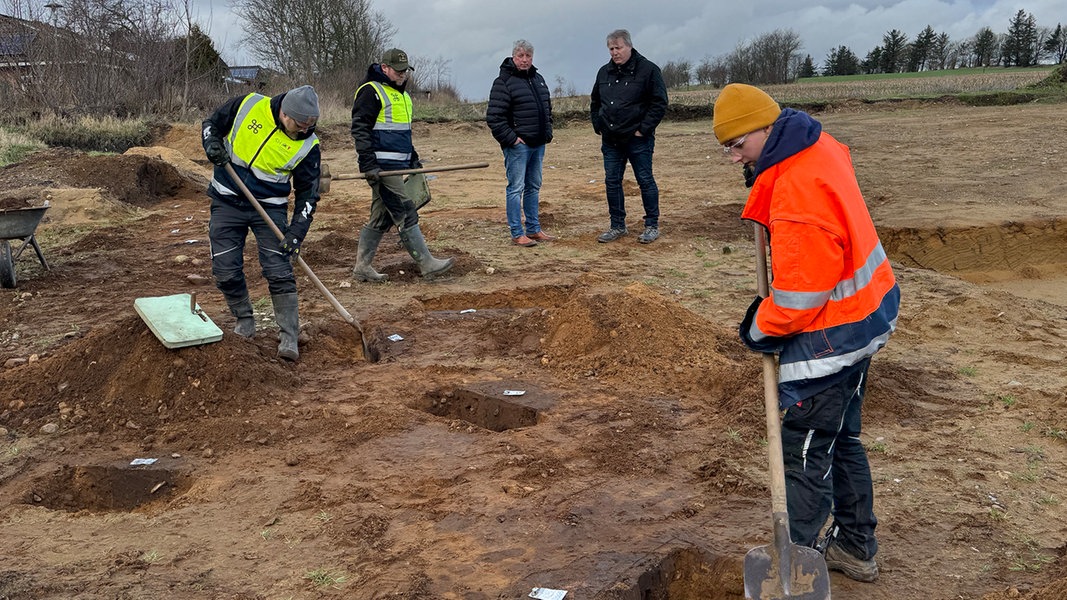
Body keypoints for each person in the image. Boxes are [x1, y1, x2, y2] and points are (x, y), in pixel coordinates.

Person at [712, 83, 900, 583]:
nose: (733, 159)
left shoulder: (796, 192)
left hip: (831, 338)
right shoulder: (816, 143)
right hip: (868, 313)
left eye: (738, 146)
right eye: (726, 149)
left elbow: (798, 298)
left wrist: (758, 327)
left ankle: (793, 567)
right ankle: (856, 548)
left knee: (804, 451)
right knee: (843, 440)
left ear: (766, 128)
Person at [201, 84, 322, 361]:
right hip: (227, 200)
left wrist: (296, 233)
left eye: (310, 126)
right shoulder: (248, 104)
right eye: (301, 125)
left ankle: (289, 336)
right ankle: (244, 320)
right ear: (285, 114)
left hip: (270, 209)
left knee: (279, 270)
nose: (305, 131)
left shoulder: (308, 145)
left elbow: (308, 193)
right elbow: (212, 124)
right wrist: (211, 143)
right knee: (225, 269)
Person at [350, 48, 454, 282]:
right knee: (405, 210)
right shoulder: (371, 92)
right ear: (384, 68)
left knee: (380, 216)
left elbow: (401, 133)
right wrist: (367, 163)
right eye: (398, 71)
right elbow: (360, 129)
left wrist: (412, 157)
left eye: (405, 70)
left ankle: (362, 267)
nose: (402, 75)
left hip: (397, 165)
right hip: (381, 167)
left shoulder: (402, 96)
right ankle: (427, 263)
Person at [589, 29, 668, 245]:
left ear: (629, 46)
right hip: (611, 140)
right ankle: (617, 226)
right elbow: (595, 102)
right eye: (611, 49)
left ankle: (651, 225)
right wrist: (599, 125)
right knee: (612, 181)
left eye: (618, 48)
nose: (615, 52)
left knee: (645, 180)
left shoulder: (649, 70)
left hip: (638, 139)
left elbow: (659, 102)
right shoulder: (604, 72)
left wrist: (643, 129)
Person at [486, 39, 554, 248]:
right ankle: (517, 232)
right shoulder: (503, 81)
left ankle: (533, 229)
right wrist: (512, 139)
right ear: (513, 57)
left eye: (528, 56)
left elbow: (547, 108)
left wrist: (547, 132)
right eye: (521, 56)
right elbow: (494, 117)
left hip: (538, 144)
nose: (525, 60)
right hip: (518, 147)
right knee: (516, 188)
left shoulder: (538, 78)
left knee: (533, 186)